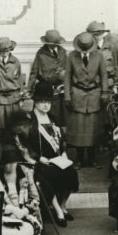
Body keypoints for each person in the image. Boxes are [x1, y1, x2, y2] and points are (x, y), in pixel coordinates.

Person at [24, 82, 80, 226]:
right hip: (40, 161)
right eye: (42, 102)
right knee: (48, 176)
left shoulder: (53, 119)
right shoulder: (29, 121)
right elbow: (25, 145)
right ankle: (57, 211)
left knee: (71, 173)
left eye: (48, 102)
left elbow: (61, 140)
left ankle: (62, 205)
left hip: (57, 159)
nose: (45, 105)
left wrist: (63, 153)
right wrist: (38, 158)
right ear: (35, 103)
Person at [64, 32, 109, 167]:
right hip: (77, 95)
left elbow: (104, 75)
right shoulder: (71, 56)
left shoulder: (99, 55)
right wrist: (67, 96)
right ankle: (79, 159)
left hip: (94, 95)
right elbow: (67, 77)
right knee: (79, 129)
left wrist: (104, 93)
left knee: (93, 128)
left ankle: (91, 159)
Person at [26, 29, 68, 126]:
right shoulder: (40, 53)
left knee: (64, 116)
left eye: (55, 43)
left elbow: (68, 69)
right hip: (48, 89)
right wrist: (29, 90)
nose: (52, 45)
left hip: (62, 89)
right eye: (50, 43)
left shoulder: (63, 52)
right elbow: (34, 72)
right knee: (52, 114)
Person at [0, 36, 24, 131]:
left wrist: (21, 98)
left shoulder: (15, 62)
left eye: (8, 50)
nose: (5, 53)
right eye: (3, 51)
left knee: (14, 126)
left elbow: (19, 80)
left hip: (13, 99)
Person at [86, 20, 118, 90]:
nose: (96, 37)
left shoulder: (112, 44)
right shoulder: (87, 46)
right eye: (93, 35)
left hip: (109, 84)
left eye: (97, 35)